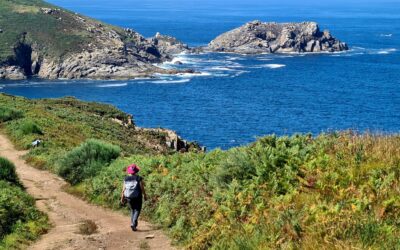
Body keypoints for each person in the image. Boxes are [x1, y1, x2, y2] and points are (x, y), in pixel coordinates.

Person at [120, 164, 147, 231]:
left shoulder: (126, 179)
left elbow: (123, 189)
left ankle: (133, 223)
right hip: (137, 197)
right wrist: (145, 195)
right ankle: (133, 224)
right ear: (136, 171)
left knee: (132, 210)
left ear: (129, 171)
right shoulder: (138, 178)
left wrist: (122, 198)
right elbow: (142, 188)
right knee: (137, 209)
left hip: (128, 197)